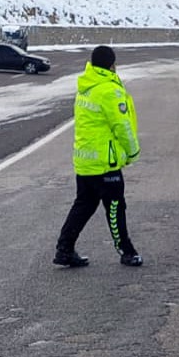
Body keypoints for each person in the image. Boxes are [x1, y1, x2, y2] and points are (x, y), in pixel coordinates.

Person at [53, 45, 144, 268]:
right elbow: (122, 125)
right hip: (106, 162)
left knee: (83, 205)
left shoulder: (86, 86)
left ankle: (64, 249)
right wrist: (133, 152)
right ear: (112, 65)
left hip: (85, 160)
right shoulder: (109, 91)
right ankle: (126, 251)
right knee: (115, 207)